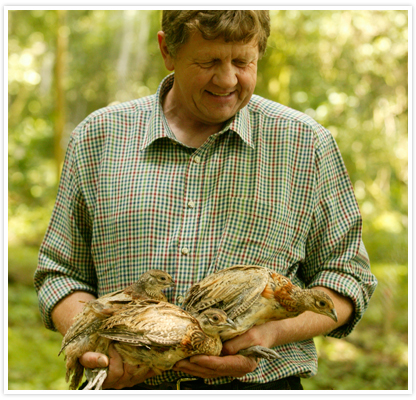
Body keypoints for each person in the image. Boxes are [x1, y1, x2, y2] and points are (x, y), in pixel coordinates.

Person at [34, 10, 377, 390]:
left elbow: (348, 277)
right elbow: (60, 273)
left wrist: (271, 333)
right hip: (125, 385)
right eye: (209, 61)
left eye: (242, 61)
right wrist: (96, 345)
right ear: (168, 50)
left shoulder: (305, 144)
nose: (227, 79)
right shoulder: (99, 138)